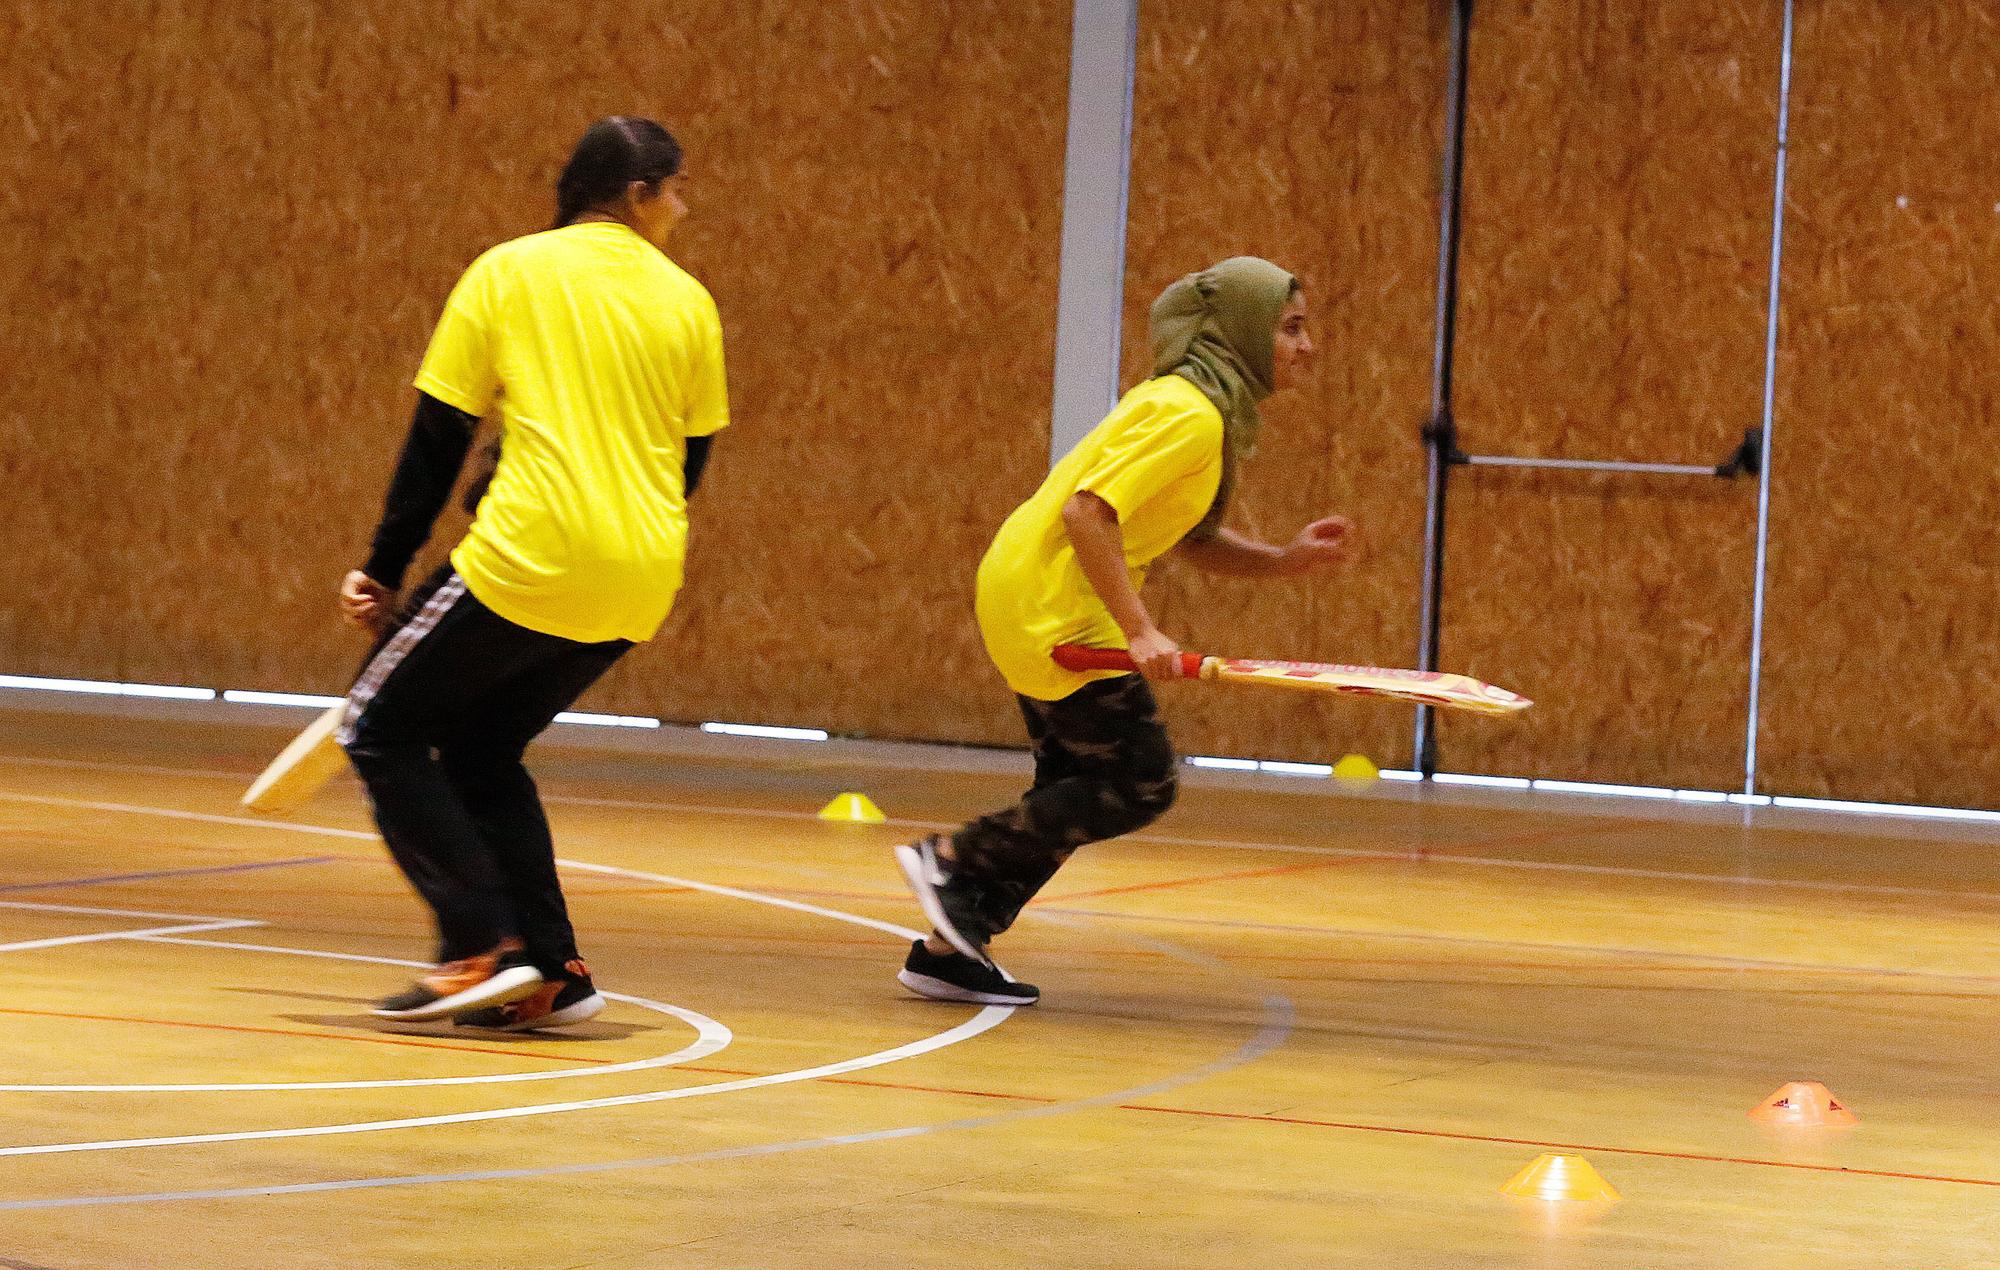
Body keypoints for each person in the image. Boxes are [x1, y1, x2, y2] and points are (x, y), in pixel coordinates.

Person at [336, 116, 727, 1028]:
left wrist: (384, 566)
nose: (681, 205)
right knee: (480, 750)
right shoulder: (688, 301)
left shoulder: (507, 272)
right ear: (634, 195)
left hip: (529, 557)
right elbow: (689, 462)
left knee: (375, 727)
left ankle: (480, 946)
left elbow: (440, 437)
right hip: (640, 577)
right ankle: (553, 967)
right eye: (673, 188)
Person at [894, 257, 1351, 1006]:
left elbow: (1192, 537)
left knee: (1071, 786)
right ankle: (952, 857)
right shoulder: (1189, 413)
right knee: (1138, 781)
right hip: (1054, 604)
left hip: (1035, 591)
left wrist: (1284, 561)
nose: (1309, 346)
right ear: (1241, 330)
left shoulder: (1201, 410)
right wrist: (1142, 631)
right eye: (1291, 327)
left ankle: (952, 941)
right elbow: (1087, 514)